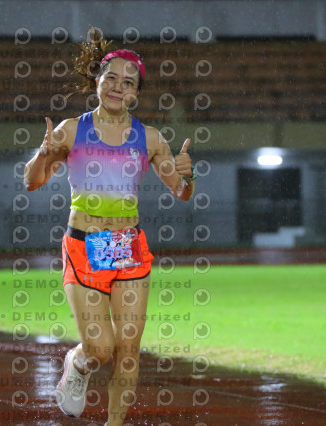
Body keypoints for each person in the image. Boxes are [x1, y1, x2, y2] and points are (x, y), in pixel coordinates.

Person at [23, 28, 196, 425]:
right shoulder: (71, 130)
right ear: (97, 82)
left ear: (137, 93)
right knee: (101, 349)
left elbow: (181, 192)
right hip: (84, 247)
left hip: (128, 249)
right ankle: (80, 363)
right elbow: (32, 182)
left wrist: (189, 176)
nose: (119, 86)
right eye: (112, 78)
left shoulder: (150, 138)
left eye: (129, 82)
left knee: (129, 350)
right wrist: (43, 154)